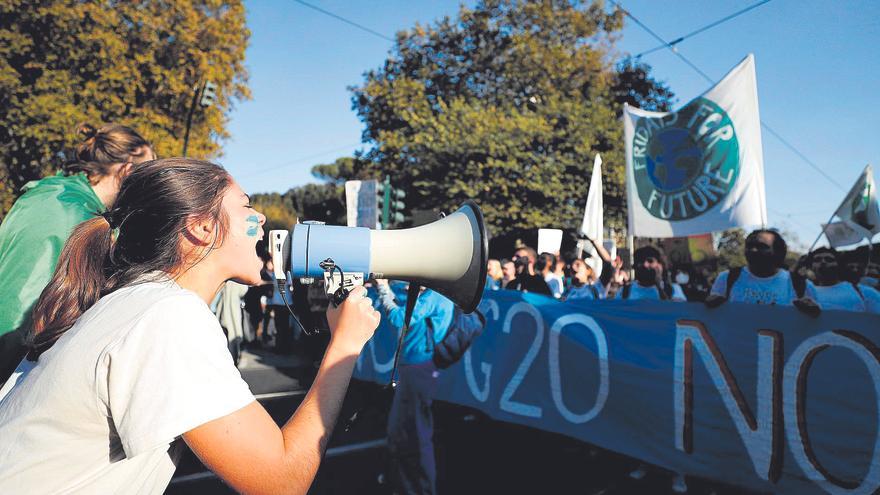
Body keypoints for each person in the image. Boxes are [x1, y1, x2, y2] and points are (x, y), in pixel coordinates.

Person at [0, 158, 380, 494]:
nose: (260, 217)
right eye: (246, 206)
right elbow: (281, 480)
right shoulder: (167, 316)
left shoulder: (136, 303)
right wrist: (345, 346)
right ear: (200, 227)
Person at [0, 123, 154, 383]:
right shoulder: (72, 215)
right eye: (146, 174)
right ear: (126, 171)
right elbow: (21, 302)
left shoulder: (51, 193)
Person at [374, 279, 455, 495]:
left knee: (418, 435)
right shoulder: (436, 293)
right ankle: (402, 483)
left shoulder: (434, 296)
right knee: (399, 431)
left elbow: (400, 318)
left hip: (419, 368)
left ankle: (423, 489)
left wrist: (383, 288)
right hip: (416, 367)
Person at [705, 229, 819, 315]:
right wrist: (710, 305)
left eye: (762, 247)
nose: (753, 250)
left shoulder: (800, 285)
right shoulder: (726, 279)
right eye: (749, 246)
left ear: (778, 251)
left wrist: (811, 310)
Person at [806, 247, 880, 313]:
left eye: (829, 259)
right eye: (817, 260)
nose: (823, 262)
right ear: (811, 267)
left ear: (838, 265)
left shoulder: (864, 292)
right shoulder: (804, 293)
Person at [616, 246, 686, 302]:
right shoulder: (624, 292)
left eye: (650, 261)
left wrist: (660, 287)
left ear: (660, 265)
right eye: (640, 261)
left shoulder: (674, 290)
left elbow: (677, 312)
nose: (645, 265)